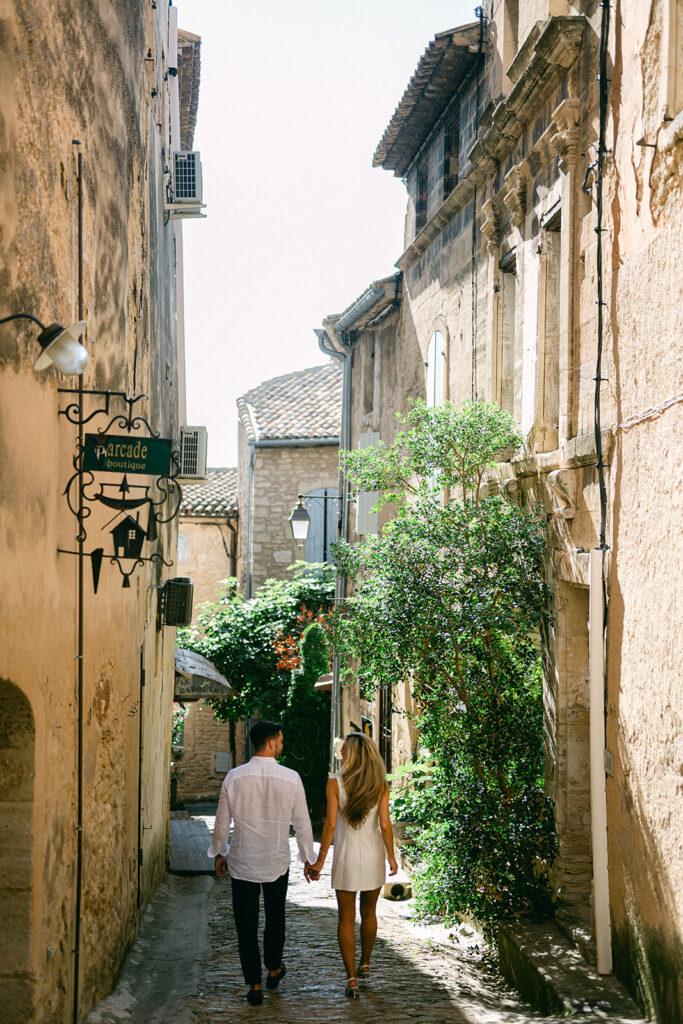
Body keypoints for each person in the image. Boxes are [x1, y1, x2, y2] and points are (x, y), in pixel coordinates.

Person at [208, 720, 316, 1006]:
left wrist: (219, 852)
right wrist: (308, 858)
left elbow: (222, 821)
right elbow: (302, 824)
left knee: (245, 924)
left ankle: (254, 983)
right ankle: (274, 967)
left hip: (243, 860)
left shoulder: (234, 776)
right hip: (275, 860)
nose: (282, 744)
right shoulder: (291, 778)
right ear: (271, 742)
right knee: (275, 919)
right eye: (280, 739)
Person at [309, 732, 398, 998]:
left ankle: (350, 978)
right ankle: (365, 963)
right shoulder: (380, 784)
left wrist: (320, 859)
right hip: (372, 855)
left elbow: (331, 825)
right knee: (369, 914)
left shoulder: (335, 784)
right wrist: (391, 856)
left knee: (346, 918)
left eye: (345, 749)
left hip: (347, 856)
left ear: (352, 753)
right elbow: (384, 824)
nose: (342, 752)